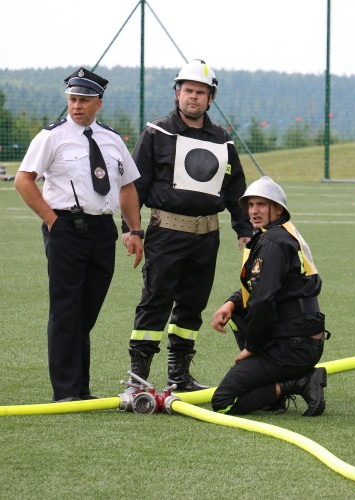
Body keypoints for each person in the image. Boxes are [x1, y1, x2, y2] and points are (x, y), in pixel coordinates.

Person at [14, 67, 144, 402]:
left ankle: (79, 388)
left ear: (98, 103)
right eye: (73, 99)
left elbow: (127, 186)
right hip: (66, 228)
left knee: (87, 310)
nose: (76, 106)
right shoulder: (51, 137)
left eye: (84, 100)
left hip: (102, 232)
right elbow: (24, 180)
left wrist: (134, 230)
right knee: (66, 309)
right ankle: (67, 393)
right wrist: (51, 220)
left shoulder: (112, 140)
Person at [122, 59, 253, 392]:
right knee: (156, 302)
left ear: (211, 98)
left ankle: (179, 377)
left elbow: (236, 187)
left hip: (207, 236)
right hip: (165, 233)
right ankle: (137, 379)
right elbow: (135, 186)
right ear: (177, 93)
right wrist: (133, 230)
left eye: (201, 92)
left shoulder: (223, 139)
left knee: (192, 306)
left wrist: (244, 229)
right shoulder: (156, 132)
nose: (193, 97)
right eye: (188, 90)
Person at [210, 176, 328, 417]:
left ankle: (299, 383)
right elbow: (262, 287)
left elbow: (262, 299)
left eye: (261, 204)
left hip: (293, 346)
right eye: (251, 205)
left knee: (223, 402)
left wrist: (252, 348)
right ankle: (273, 395)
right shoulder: (279, 233)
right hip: (300, 339)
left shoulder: (274, 241)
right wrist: (231, 303)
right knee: (237, 312)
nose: (254, 211)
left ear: (278, 209)